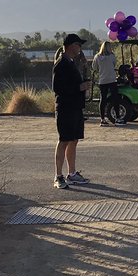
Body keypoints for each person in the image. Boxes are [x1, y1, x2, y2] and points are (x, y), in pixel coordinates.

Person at [51, 33, 91, 188]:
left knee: (74, 140)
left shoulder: (73, 62)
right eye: (78, 45)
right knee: (64, 140)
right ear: (70, 46)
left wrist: (83, 87)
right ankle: (58, 175)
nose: (80, 48)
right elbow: (57, 88)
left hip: (75, 107)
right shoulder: (61, 63)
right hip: (65, 107)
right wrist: (78, 87)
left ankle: (72, 173)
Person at [94, 40, 119, 126]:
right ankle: (117, 117)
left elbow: (94, 67)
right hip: (112, 79)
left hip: (102, 80)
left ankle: (102, 118)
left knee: (103, 99)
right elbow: (114, 64)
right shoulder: (112, 56)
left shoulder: (97, 57)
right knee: (115, 98)